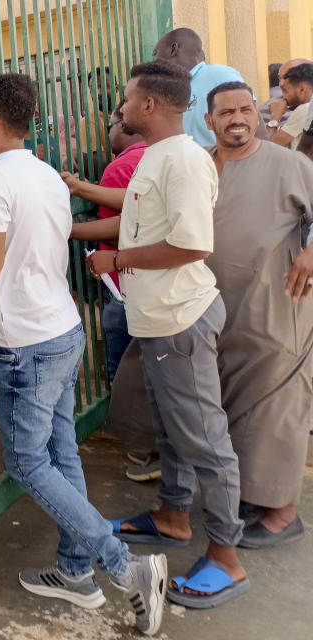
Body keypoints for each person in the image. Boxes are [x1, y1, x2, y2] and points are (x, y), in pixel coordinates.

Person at [0, 72, 166, 636]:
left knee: (29, 461)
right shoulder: (46, 174)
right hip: (62, 328)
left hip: (24, 341)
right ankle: (76, 571)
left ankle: (125, 567)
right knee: (59, 451)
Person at [80, 60, 248, 609]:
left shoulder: (183, 161)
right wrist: (72, 229)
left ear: (149, 105)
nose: (122, 107)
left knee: (203, 438)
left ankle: (227, 556)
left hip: (180, 319)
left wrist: (117, 259)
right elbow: (134, 222)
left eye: (127, 98)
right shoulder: (155, 157)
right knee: (173, 431)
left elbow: (193, 244)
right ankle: (173, 515)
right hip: (156, 320)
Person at [203, 81, 313, 547]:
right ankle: (254, 495)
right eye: (226, 112)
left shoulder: (290, 163)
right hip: (218, 311)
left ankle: (283, 513)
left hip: (276, 306)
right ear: (209, 120)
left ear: (259, 114)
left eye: (246, 110)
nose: (237, 119)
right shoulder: (199, 165)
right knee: (236, 408)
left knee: (277, 408)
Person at [64, 102, 147, 382]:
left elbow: (121, 232)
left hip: (127, 287)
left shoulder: (119, 167)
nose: (107, 134)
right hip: (154, 291)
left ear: (123, 127)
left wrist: (69, 230)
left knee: (124, 381)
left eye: (109, 127)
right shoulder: (159, 158)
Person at [153, 27, 245, 146]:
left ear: (173, 49)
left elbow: (251, 119)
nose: (154, 61)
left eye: (155, 53)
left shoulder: (219, 75)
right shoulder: (170, 89)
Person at [268, 61, 313, 149]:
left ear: (302, 88)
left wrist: (275, 117)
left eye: (285, 91)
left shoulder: (305, 109)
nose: (283, 96)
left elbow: (270, 148)